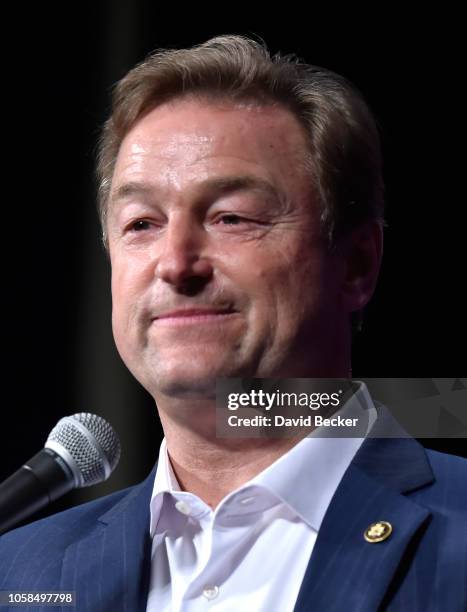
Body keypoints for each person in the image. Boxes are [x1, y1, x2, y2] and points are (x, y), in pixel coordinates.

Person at [0, 35, 466, 612]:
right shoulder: (18, 574)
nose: (175, 263)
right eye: (142, 223)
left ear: (356, 264)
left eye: (232, 217)